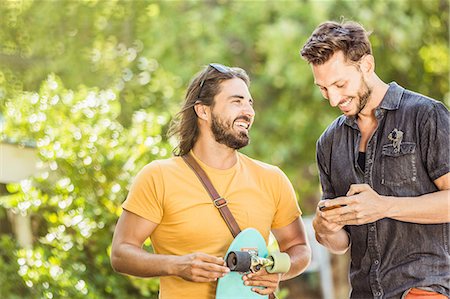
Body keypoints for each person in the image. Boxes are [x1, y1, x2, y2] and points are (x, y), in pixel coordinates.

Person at [110, 63, 311, 299]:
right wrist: (177, 266)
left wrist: (276, 270)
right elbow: (121, 254)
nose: (248, 111)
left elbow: (299, 248)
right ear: (203, 111)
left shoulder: (272, 179)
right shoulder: (158, 177)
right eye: (237, 101)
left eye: (250, 103)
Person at [300, 20, 450, 299]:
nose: (333, 99)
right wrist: (324, 230)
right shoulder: (328, 143)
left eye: (340, 84)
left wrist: (383, 206)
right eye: (323, 89)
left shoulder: (425, 115)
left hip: (425, 289)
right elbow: (341, 242)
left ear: (366, 65)